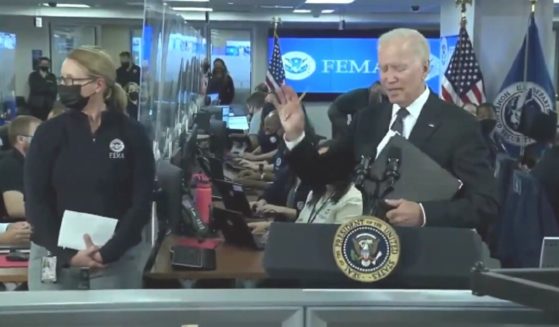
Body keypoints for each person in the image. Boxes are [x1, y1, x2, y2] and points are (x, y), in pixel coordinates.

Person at [276, 28, 498, 230]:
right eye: (383, 68)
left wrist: (424, 214)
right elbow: (319, 176)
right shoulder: (368, 119)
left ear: (425, 68)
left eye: (399, 68)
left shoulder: (458, 125)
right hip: (366, 253)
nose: (389, 78)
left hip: (429, 257)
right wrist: (295, 135)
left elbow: (486, 204)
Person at [24, 46, 155, 290]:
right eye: (63, 79)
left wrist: (108, 252)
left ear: (99, 85)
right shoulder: (49, 133)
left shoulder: (132, 134)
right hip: (54, 259)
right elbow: (35, 200)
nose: (64, 86)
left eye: (72, 80)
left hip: (113, 262)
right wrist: (67, 255)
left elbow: (141, 202)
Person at [248, 167, 362, 234]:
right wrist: (270, 227)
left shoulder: (352, 199)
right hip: (301, 247)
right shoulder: (317, 190)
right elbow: (301, 224)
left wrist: (275, 231)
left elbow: (335, 241)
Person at [0, 115, 41, 220]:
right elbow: (15, 208)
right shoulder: (10, 165)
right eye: (39, 135)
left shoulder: (33, 164)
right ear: (21, 139)